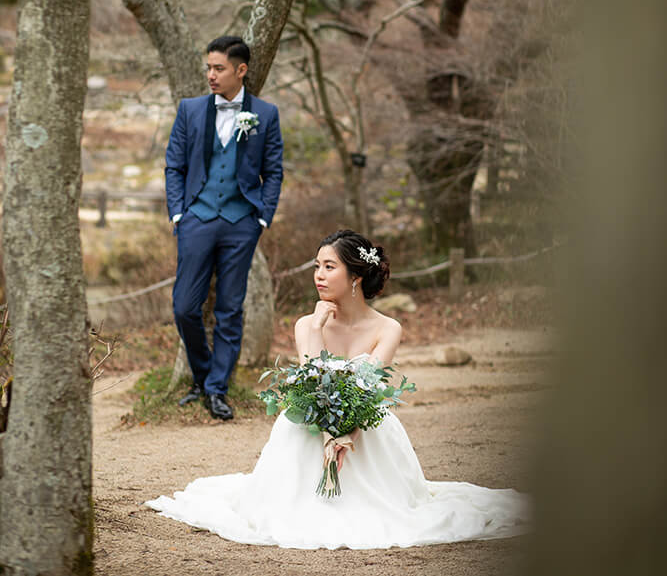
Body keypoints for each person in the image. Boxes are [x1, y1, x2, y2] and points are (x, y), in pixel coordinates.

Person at [146, 230, 530, 548]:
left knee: (391, 507)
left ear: (356, 277)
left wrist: (346, 428)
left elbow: (368, 388)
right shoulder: (304, 325)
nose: (319, 274)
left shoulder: (387, 328)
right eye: (316, 266)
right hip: (306, 432)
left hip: (367, 432)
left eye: (329, 267)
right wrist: (315, 328)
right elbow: (312, 382)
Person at [165, 35, 283, 421]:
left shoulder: (265, 115)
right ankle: (201, 377)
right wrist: (180, 214)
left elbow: (274, 170)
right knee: (185, 307)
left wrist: (262, 217)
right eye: (208, 68)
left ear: (241, 70)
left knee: (230, 310)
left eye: (219, 68)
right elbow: (174, 166)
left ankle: (216, 389)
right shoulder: (191, 110)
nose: (211, 75)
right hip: (196, 219)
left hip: (241, 224)